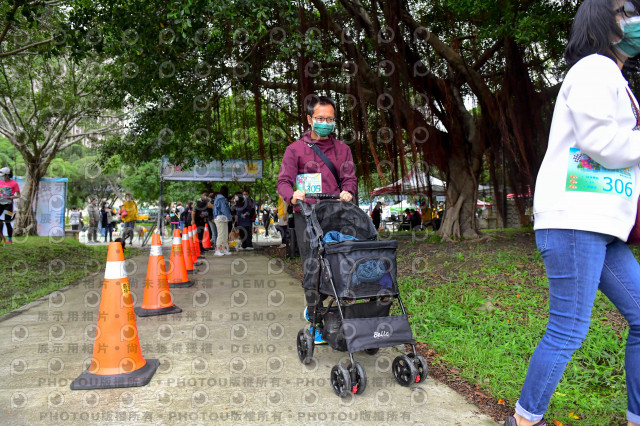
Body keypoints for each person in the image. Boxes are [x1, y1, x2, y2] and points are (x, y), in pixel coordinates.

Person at [504, 1, 640, 425]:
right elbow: (603, 143)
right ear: (600, 22)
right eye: (624, 11)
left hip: (598, 224)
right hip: (575, 221)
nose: (635, 18)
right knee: (567, 329)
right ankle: (524, 421)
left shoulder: (613, 76)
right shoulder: (593, 69)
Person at [276, 95, 357, 344]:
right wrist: (292, 196)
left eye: (330, 119)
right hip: (307, 216)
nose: (325, 123)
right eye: (320, 118)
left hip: (336, 214)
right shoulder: (295, 150)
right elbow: (283, 181)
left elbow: (349, 179)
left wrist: (348, 192)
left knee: (340, 264)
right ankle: (315, 319)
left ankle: (340, 314)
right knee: (313, 266)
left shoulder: (343, 149)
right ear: (310, 119)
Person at [0, 167, 20, 244]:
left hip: (8, 204)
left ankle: (10, 240)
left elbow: (18, 195)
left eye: (2, 174)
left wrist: (13, 197)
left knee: (7, 221)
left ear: (7, 175)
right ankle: (1, 237)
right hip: (0, 204)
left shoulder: (14, 183)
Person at [213, 185, 232, 256]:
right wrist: (229, 217)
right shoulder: (222, 199)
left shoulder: (217, 198)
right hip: (221, 218)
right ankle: (218, 249)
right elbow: (224, 209)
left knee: (224, 234)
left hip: (219, 218)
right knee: (222, 234)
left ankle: (223, 249)